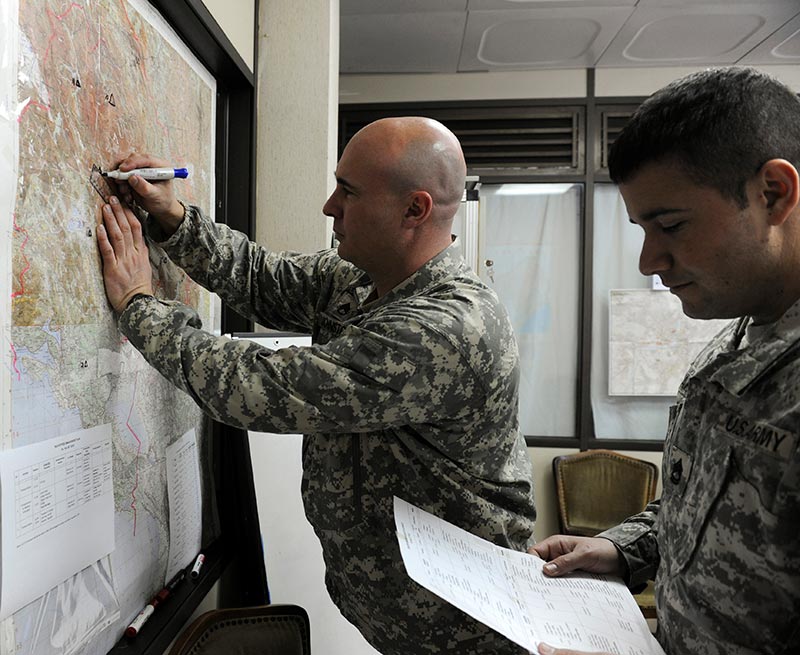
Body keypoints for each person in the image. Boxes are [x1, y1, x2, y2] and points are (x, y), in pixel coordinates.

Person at [96, 116, 536, 655]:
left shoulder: (447, 328)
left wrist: (140, 306)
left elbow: (259, 389)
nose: (330, 207)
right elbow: (261, 277)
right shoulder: (367, 279)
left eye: (348, 192)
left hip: (467, 634)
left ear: (414, 210)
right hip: (409, 622)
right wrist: (173, 217)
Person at [529, 66, 800, 655]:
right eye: (641, 229)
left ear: (773, 193)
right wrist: (624, 548)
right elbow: (715, 500)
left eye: (671, 225)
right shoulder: (739, 338)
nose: (650, 261)